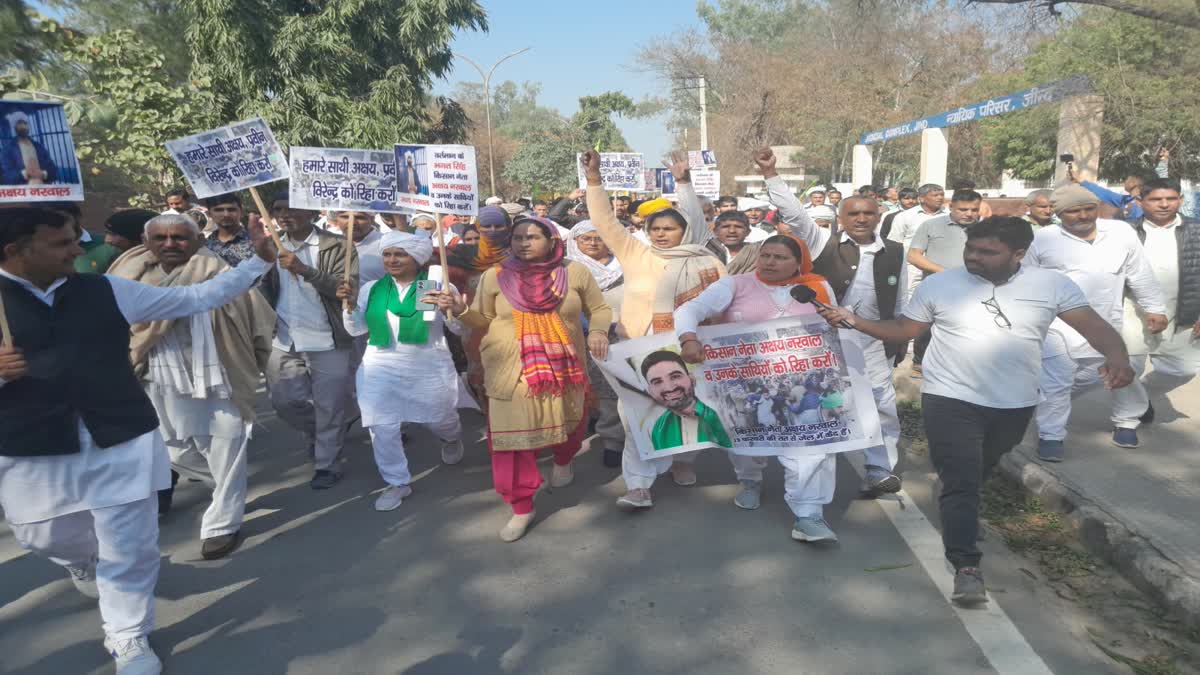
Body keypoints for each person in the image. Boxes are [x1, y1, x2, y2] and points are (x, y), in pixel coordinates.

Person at [0, 206, 277, 673]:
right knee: (40, 534)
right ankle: (83, 562)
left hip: (121, 431)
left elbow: (197, 297)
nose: (78, 250)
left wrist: (258, 262)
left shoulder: (106, 288)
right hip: (31, 441)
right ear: (15, 251)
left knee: (130, 545)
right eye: (63, 244)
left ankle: (128, 636)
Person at [814, 215, 1134, 606]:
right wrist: (854, 321)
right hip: (949, 398)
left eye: (987, 251)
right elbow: (904, 329)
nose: (974, 257)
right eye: (970, 248)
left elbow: (1093, 326)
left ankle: (958, 502)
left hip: (1014, 402)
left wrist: (1117, 355)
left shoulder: (1050, 285)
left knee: (983, 465)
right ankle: (966, 564)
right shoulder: (940, 284)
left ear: (1018, 254)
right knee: (962, 478)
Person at [108, 213, 275, 560]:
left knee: (227, 448)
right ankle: (229, 488)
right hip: (158, 376)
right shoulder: (123, 277)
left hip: (218, 375)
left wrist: (257, 362)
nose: (170, 244)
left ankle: (222, 525)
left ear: (198, 240)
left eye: (180, 237)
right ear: (146, 240)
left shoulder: (218, 272)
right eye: (161, 238)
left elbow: (258, 320)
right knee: (173, 451)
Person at [755, 147, 905, 495]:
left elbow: (900, 302)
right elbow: (794, 213)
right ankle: (814, 471)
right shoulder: (823, 241)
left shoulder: (894, 251)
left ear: (879, 215)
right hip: (821, 342)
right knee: (823, 402)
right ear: (841, 217)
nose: (862, 219)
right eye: (854, 213)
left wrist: (899, 340)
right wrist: (770, 174)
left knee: (881, 405)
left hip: (874, 340)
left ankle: (880, 469)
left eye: (869, 213)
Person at [675, 234, 844, 542]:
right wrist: (688, 338)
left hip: (801, 383)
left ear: (798, 263)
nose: (769, 262)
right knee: (749, 439)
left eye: (779, 257)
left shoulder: (816, 288)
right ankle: (750, 480)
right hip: (744, 382)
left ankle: (808, 515)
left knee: (813, 448)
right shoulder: (735, 284)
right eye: (765, 255)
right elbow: (689, 310)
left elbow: (833, 323)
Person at [581, 149, 726, 502]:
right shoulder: (637, 254)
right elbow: (604, 222)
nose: (661, 234)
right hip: (639, 349)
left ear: (684, 230)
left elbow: (722, 306)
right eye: (655, 229)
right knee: (634, 415)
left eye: (669, 228)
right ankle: (639, 484)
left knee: (689, 408)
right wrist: (594, 180)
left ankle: (683, 461)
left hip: (690, 348)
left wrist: (683, 183)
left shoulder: (705, 261)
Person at [454, 216, 611, 541]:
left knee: (571, 424)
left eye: (531, 237)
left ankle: (563, 457)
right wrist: (458, 309)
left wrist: (597, 331)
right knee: (510, 442)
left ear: (552, 240)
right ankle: (521, 506)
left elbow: (599, 308)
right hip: (510, 368)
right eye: (517, 237)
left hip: (563, 366)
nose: (522, 243)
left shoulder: (575, 271)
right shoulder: (495, 276)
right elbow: (481, 319)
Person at [1025, 184, 1166, 459]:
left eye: (1088, 209)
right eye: (1073, 211)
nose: (1082, 215)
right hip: (1059, 325)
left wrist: (1155, 307)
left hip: (1108, 322)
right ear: (1059, 213)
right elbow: (1027, 280)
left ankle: (1126, 420)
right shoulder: (1044, 239)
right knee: (1056, 381)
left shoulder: (1120, 233)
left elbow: (1140, 273)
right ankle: (1051, 435)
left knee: (1110, 373)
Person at [337, 230, 466, 511]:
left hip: (427, 364)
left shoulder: (433, 285)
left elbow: (460, 329)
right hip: (379, 366)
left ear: (417, 258)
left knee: (440, 418)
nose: (392, 260)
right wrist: (348, 308)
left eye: (400, 254)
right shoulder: (373, 289)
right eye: (387, 254)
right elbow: (357, 329)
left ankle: (451, 437)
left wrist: (452, 309)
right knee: (381, 426)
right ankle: (397, 482)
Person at [261, 192, 359, 489]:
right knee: (284, 401)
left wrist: (304, 270)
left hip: (328, 338)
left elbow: (346, 290)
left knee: (329, 405)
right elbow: (259, 287)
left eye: (292, 208)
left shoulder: (337, 245)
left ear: (312, 211)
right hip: (284, 339)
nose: (284, 214)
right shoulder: (267, 246)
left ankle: (327, 463)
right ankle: (325, 432)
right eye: (278, 208)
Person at [1116, 178, 1200, 422]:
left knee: (1183, 369)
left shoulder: (1196, 230)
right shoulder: (1124, 232)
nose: (1164, 204)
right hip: (1132, 309)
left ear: (1180, 200)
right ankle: (1126, 422)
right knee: (1129, 367)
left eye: (1171, 199)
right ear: (1140, 202)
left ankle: (1142, 396)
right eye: (1155, 199)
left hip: (1184, 309)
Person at [565, 220, 625, 468]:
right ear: (574, 241)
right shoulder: (566, 268)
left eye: (598, 238)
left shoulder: (624, 266)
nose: (592, 243)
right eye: (585, 239)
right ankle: (604, 435)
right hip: (579, 335)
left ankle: (616, 439)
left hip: (621, 334)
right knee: (591, 387)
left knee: (615, 389)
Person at [907, 190, 983, 373]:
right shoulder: (931, 225)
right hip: (937, 287)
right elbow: (913, 256)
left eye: (974, 209)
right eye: (963, 209)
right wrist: (946, 273)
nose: (969, 214)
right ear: (951, 207)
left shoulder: (986, 229)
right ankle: (920, 363)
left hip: (977, 288)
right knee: (927, 327)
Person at [640, 350, 731, 450]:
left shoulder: (721, 414)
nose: (669, 388)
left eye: (675, 376)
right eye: (657, 382)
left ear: (692, 379)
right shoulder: (659, 428)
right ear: (651, 392)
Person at [1, 110, 57, 185]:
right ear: (14, 126)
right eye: (20, 123)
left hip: (43, 190)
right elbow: (6, 177)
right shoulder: (7, 150)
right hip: (22, 193)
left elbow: (53, 170)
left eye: (25, 123)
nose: (23, 126)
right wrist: (24, 173)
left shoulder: (39, 147)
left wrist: (43, 174)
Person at [202, 193, 256, 267]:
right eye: (219, 210)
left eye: (231, 209)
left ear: (242, 212)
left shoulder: (256, 242)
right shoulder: (205, 246)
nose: (226, 214)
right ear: (209, 214)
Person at [710, 210, 765, 275]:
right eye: (725, 227)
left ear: (748, 232)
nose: (732, 231)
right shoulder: (706, 251)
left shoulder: (757, 252)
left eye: (738, 227)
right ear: (716, 231)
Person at [1077, 172, 1145, 221]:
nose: (1125, 182)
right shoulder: (1126, 199)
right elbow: (1106, 193)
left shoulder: (1137, 204)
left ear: (1133, 183)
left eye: (1127, 179)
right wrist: (1081, 181)